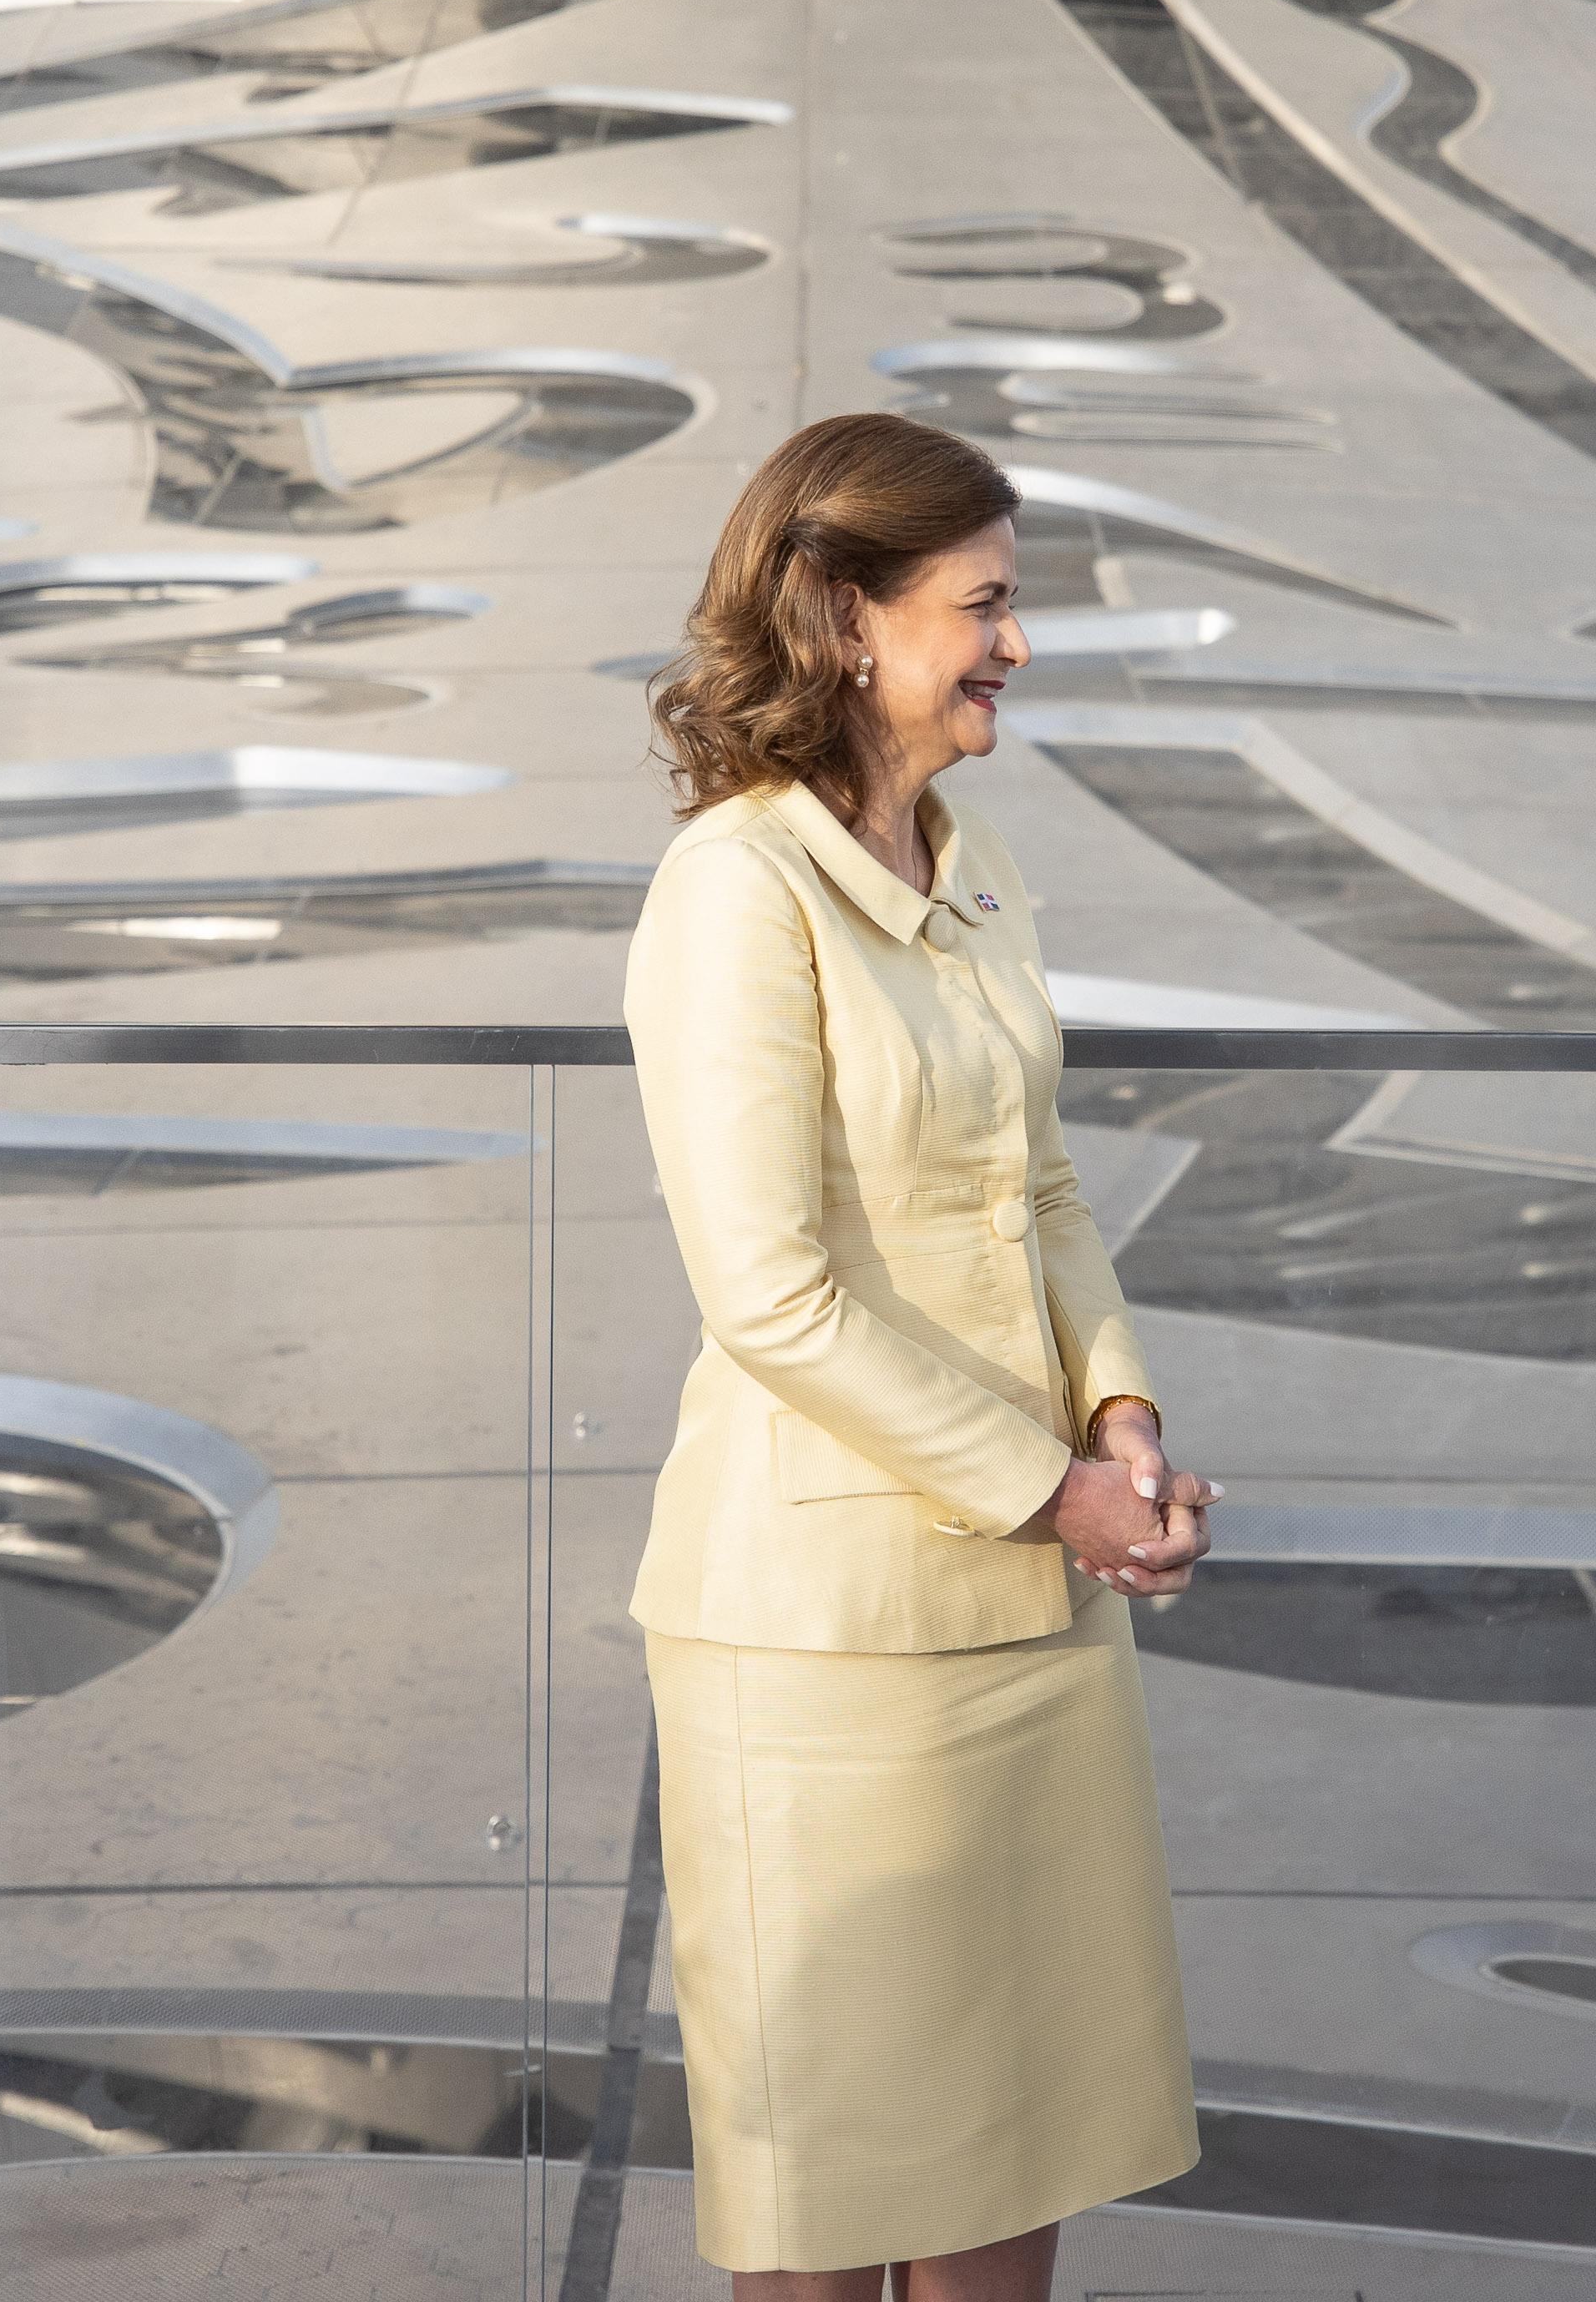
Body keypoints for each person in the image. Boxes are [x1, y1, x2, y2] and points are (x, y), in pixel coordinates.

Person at [624, 413, 1214, 2301]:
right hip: (822, 1653)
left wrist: (1120, 1417)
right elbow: (769, 1294)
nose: (1015, 647)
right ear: (841, 614)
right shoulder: (736, 888)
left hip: (1035, 1622)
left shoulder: (977, 859)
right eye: (984, 606)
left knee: (1015, 2152)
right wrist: (1057, 1492)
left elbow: (1041, 1185)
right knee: (829, 2200)